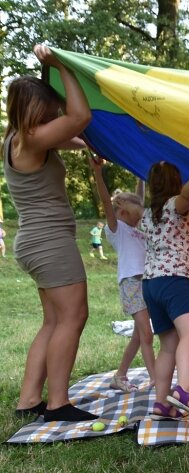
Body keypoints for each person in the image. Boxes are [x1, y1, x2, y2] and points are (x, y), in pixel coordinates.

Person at [4, 44, 97, 422]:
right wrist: (62, 67)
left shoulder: (15, 141)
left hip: (34, 241)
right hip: (49, 243)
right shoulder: (32, 139)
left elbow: (71, 135)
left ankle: (29, 399)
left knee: (54, 321)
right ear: (35, 114)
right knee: (74, 317)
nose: (55, 116)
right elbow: (81, 116)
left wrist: (83, 145)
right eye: (49, 112)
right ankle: (58, 403)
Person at [140, 159, 189, 422]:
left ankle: (161, 404)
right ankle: (185, 391)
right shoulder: (176, 205)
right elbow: (186, 197)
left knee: (168, 346)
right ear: (176, 183)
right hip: (174, 281)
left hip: (151, 284)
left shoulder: (148, 214)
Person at [89, 155, 155, 392]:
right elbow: (107, 203)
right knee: (146, 333)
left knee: (139, 336)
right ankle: (157, 379)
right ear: (123, 212)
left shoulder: (137, 228)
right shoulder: (116, 229)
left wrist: (139, 171)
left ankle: (119, 375)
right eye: (136, 215)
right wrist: (98, 173)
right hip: (131, 283)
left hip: (145, 282)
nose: (140, 218)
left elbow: (140, 196)